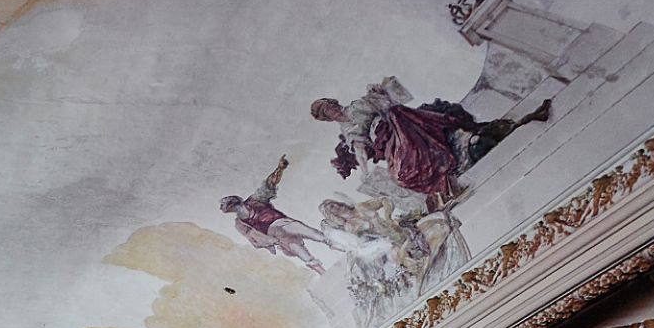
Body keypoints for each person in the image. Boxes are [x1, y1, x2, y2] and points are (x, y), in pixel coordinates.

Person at [312, 78, 551, 208]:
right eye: (325, 112)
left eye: (328, 105)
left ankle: (446, 168)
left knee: (399, 119)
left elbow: (388, 101)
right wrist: (364, 173)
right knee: (403, 175)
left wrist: (378, 91)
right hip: (388, 143)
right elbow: (361, 150)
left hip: (397, 123)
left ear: (333, 102)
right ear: (325, 118)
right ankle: (444, 186)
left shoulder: (358, 105)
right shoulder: (346, 132)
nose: (331, 110)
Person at [219, 156, 335, 272]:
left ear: (236, 202)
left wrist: (279, 169)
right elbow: (254, 239)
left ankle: (344, 246)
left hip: (282, 224)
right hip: (277, 237)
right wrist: (270, 244)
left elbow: (269, 184)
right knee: (304, 255)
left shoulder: (254, 201)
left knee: (316, 235)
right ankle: (324, 274)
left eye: (232, 205)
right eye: (230, 207)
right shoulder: (240, 224)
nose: (234, 208)